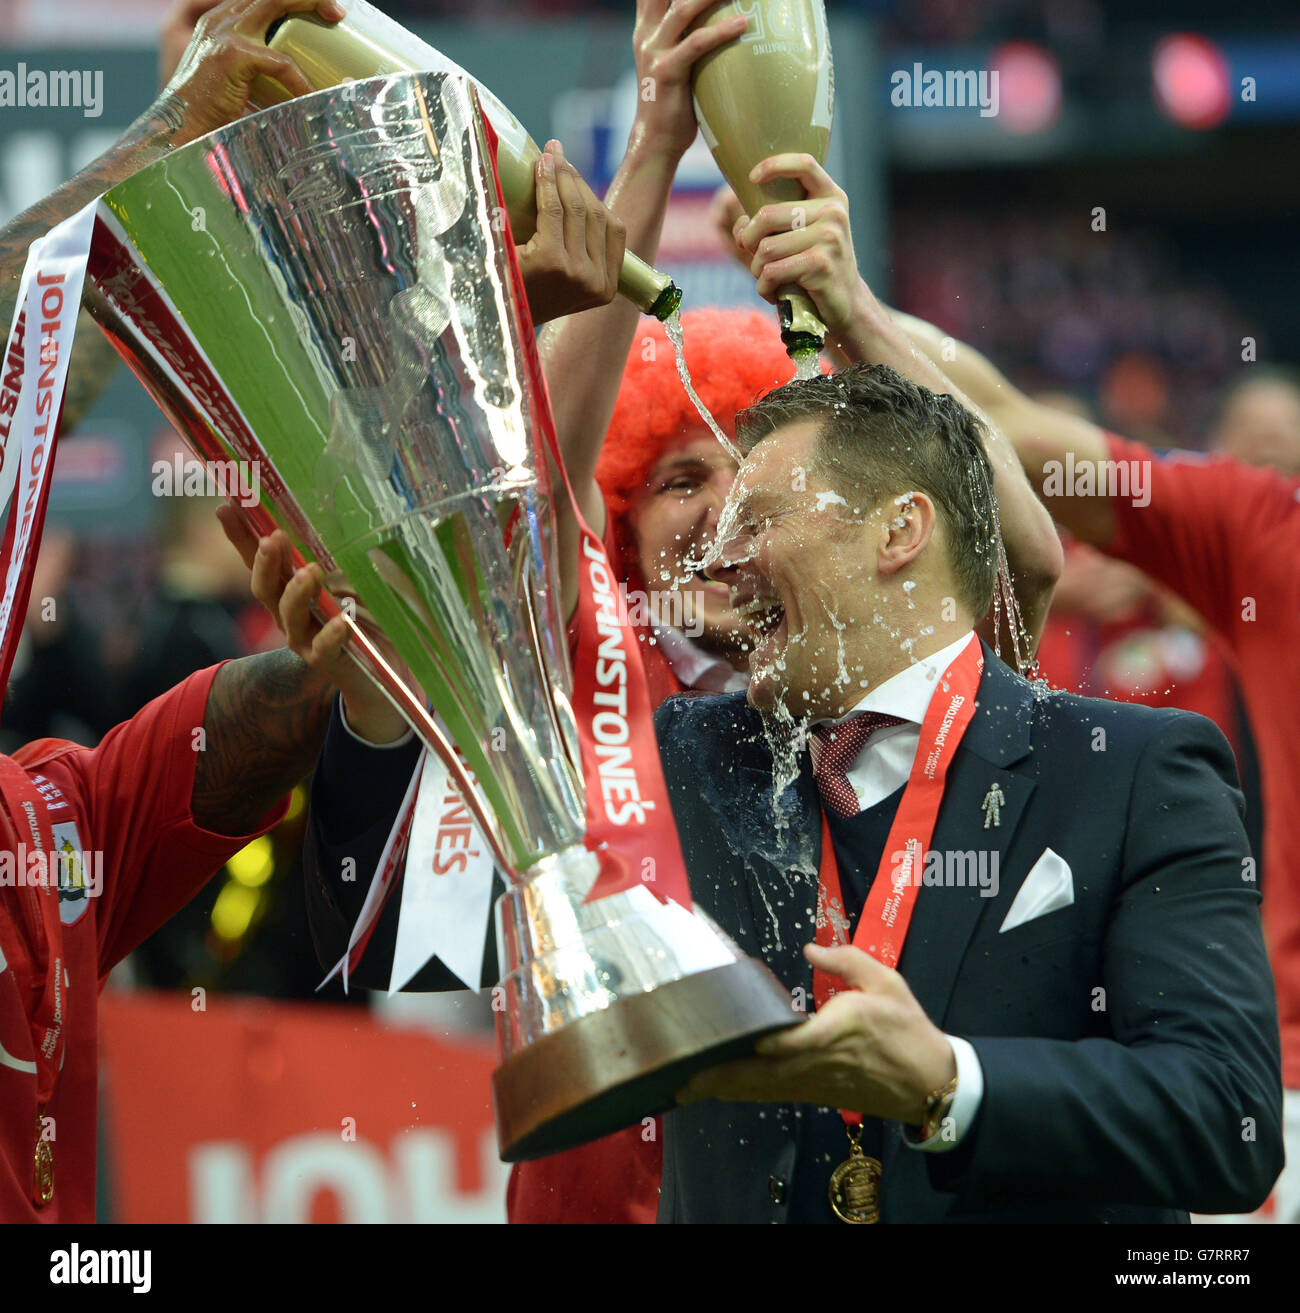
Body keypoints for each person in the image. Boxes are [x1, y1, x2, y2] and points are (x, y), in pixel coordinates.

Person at [0, 0, 625, 1222]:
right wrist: (169, 132)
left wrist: (345, 650)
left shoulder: (42, 825)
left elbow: (228, 741)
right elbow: (23, 355)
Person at [655, 361, 1282, 1223]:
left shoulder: (1128, 768)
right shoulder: (678, 762)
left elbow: (1230, 1119)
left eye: (758, 520)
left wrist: (954, 1083)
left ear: (898, 531)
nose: (723, 561)